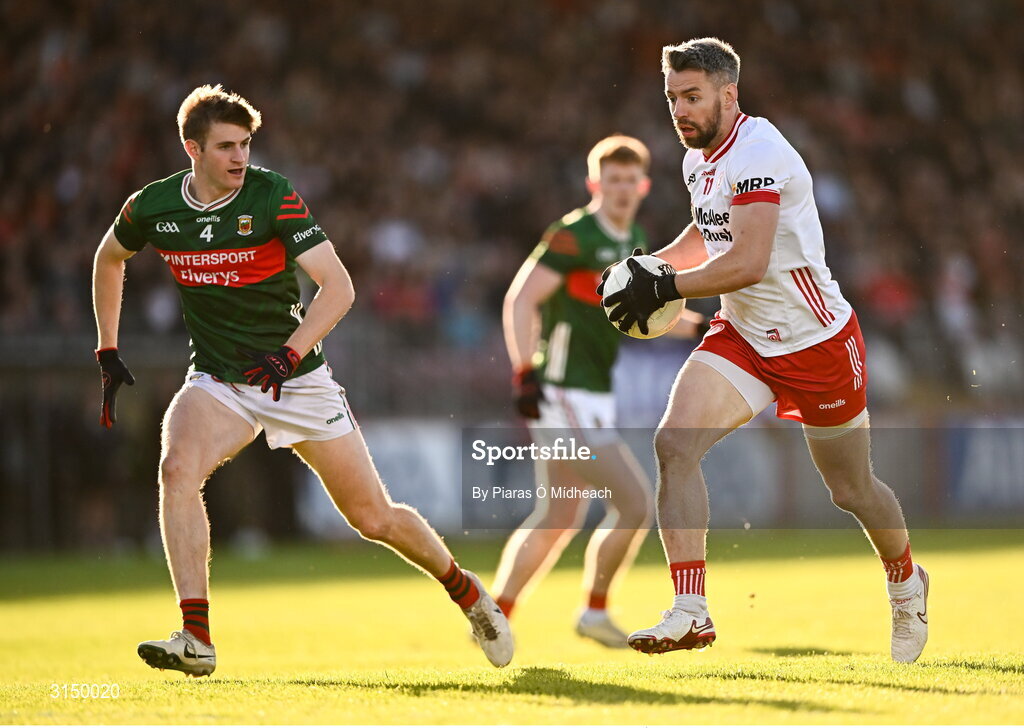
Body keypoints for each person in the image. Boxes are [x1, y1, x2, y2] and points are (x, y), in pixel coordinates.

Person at [91, 84, 512, 676]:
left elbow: (339, 287)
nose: (240, 158)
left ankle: (466, 591)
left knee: (373, 518)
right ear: (192, 149)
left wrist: (290, 355)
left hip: (297, 378)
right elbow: (110, 258)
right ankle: (196, 636)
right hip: (219, 380)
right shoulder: (153, 206)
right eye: (225, 147)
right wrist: (107, 347)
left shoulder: (272, 196)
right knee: (176, 468)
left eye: (245, 144)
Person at [600, 39, 929, 663]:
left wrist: (663, 286)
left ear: (729, 94)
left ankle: (907, 583)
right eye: (673, 98)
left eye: (692, 97)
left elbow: (748, 261)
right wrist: (643, 270)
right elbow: (708, 230)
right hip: (744, 338)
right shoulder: (698, 158)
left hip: (817, 343)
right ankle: (690, 611)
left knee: (852, 491)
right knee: (674, 445)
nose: (680, 110)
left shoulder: (760, 152)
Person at [492, 136, 655, 647]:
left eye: (631, 180)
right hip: (564, 392)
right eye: (613, 180)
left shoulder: (637, 241)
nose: (623, 189)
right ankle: (594, 611)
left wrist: (698, 326)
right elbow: (521, 299)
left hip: (589, 394)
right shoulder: (573, 235)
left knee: (559, 515)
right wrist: (524, 372)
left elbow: (645, 317)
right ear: (594, 184)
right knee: (633, 504)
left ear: (644, 186)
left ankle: (493, 613)